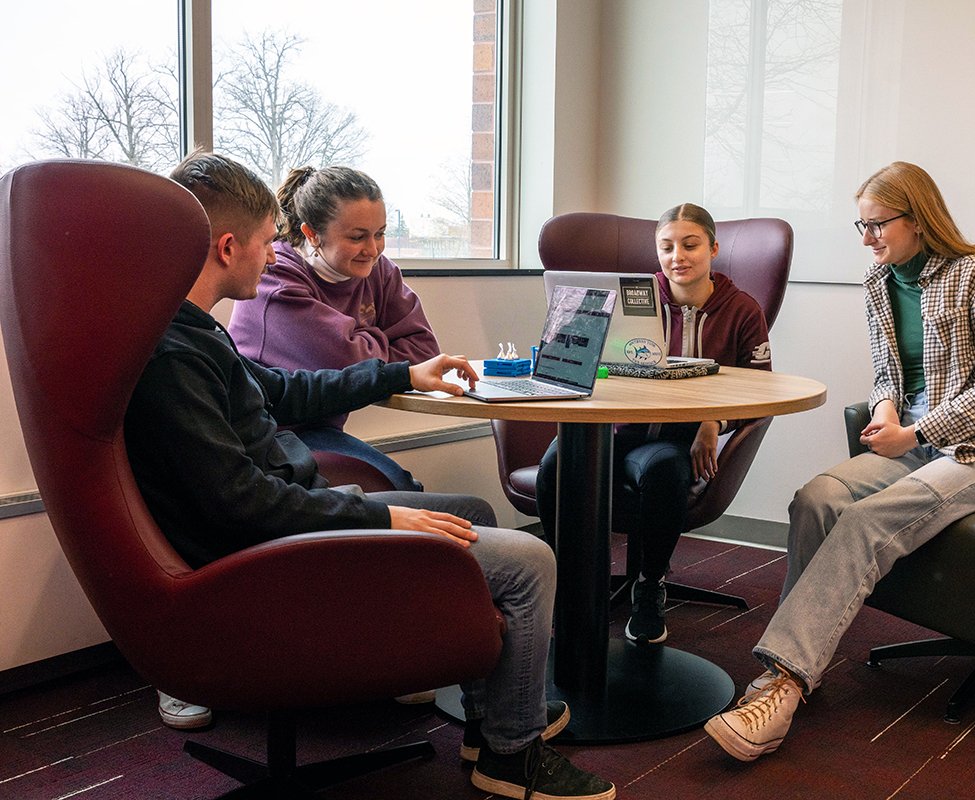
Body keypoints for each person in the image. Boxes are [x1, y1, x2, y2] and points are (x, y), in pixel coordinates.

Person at [126, 150, 615, 800]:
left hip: (294, 513)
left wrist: (401, 373)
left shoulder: (192, 334)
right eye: (269, 243)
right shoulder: (174, 358)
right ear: (226, 246)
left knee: (475, 512)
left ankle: (491, 724)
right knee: (531, 562)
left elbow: (283, 390)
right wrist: (382, 516)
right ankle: (512, 757)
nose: (274, 257)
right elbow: (240, 503)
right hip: (268, 557)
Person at [705, 161, 975, 762]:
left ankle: (783, 683)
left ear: (917, 218)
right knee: (815, 498)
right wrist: (888, 411)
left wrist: (917, 428)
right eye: (859, 227)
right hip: (912, 442)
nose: (866, 239)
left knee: (863, 522)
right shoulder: (878, 282)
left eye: (876, 225)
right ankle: (798, 663)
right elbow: (890, 370)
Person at [535, 203, 772, 644]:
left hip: (672, 439)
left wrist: (713, 421)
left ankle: (649, 585)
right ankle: (569, 578)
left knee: (664, 472)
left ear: (714, 249)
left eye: (690, 244)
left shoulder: (742, 310)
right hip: (616, 427)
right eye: (666, 247)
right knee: (555, 465)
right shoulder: (629, 297)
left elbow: (760, 390)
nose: (677, 256)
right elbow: (584, 359)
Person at [228, 165, 441, 493]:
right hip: (271, 433)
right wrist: (378, 338)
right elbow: (348, 363)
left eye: (380, 233)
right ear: (312, 234)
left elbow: (424, 351)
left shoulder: (377, 270)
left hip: (320, 427)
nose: (373, 249)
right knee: (402, 489)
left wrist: (362, 339)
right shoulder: (275, 278)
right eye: (357, 237)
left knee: (405, 488)